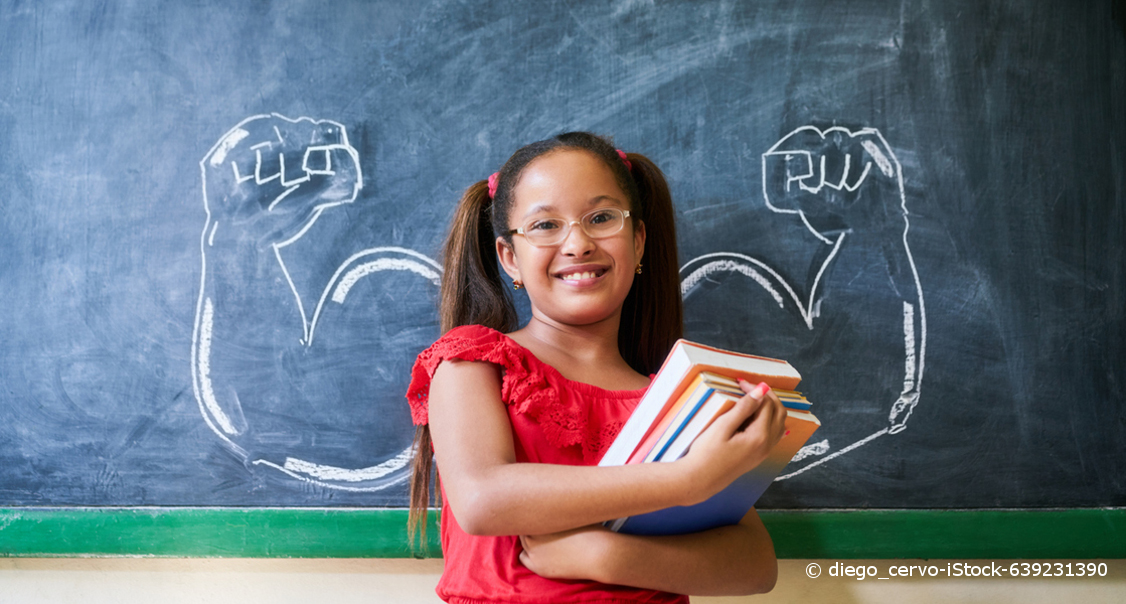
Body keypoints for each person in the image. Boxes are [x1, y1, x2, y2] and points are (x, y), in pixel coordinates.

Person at [405, 131, 786, 603]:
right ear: (510, 258)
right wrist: (686, 480)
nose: (578, 243)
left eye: (602, 218)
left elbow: (754, 566)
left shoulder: (677, 399)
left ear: (639, 241)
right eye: (545, 225)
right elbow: (484, 499)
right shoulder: (474, 361)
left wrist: (605, 558)